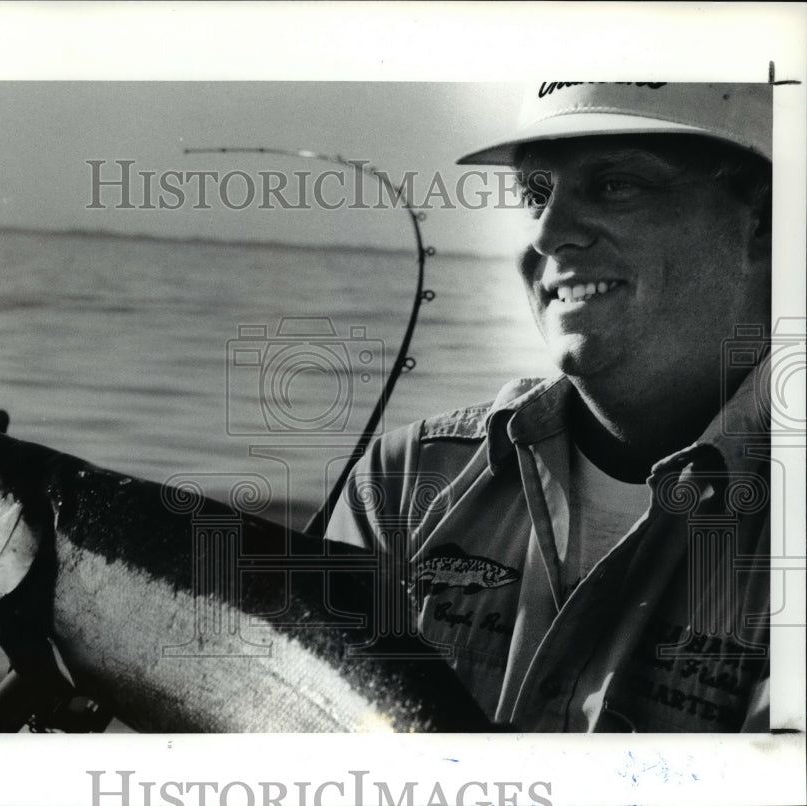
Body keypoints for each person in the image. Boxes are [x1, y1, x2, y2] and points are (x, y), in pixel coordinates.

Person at [325, 82, 773, 732]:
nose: (546, 233)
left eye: (616, 184)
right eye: (536, 194)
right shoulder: (400, 483)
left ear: (764, 222)